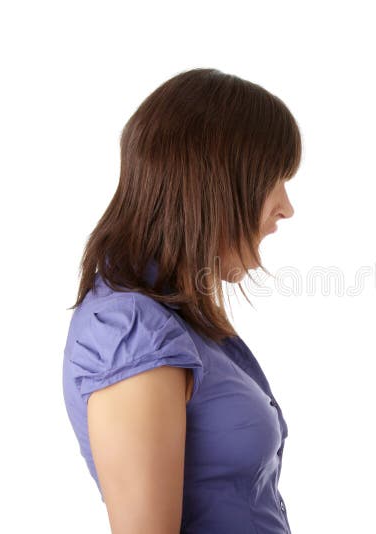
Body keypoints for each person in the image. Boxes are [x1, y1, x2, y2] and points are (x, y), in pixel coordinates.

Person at [62, 68, 300, 533]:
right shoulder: (129, 333)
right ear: (214, 183)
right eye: (275, 178)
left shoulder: (170, 316)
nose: (286, 207)